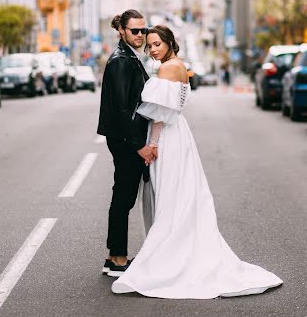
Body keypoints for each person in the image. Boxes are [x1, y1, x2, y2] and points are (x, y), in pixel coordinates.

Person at [111, 25, 282, 298]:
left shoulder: (167, 69)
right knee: (180, 195)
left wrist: (152, 145)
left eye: (157, 44)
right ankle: (178, 249)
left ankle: (169, 257)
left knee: (170, 196)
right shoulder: (178, 65)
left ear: (169, 43)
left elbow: (160, 114)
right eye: (150, 45)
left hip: (167, 137)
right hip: (179, 134)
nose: (153, 49)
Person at [97, 10, 157, 278]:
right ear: (121, 31)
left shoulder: (129, 57)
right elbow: (122, 109)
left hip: (124, 137)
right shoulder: (121, 60)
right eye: (135, 31)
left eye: (144, 30)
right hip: (124, 140)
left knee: (122, 196)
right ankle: (118, 259)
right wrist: (138, 146)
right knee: (124, 197)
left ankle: (114, 256)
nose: (141, 35)